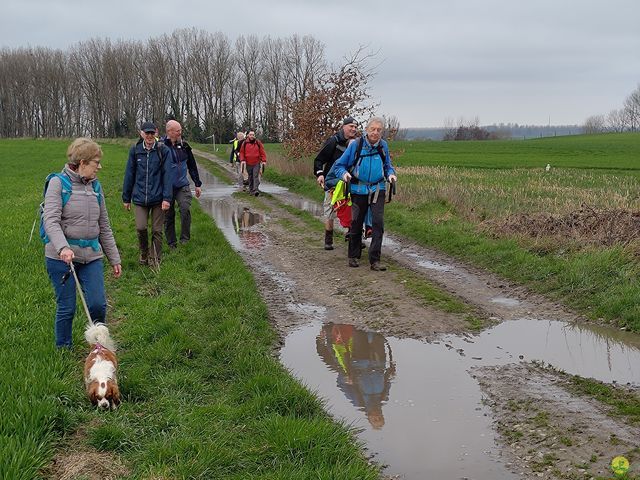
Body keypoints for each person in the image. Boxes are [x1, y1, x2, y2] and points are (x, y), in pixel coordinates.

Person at [43, 138, 122, 348]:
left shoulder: (96, 187)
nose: (99, 167)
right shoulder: (58, 183)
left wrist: (114, 258)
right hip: (62, 258)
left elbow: (104, 225)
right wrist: (63, 247)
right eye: (96, 162)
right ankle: (63, 349)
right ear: (83, 162)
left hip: (91, 256)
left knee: (97, 304)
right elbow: (50, 220)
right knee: (67, 307)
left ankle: (99, 347)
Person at [331, 117, 397, 270]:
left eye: (379, 130)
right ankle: (353, 256)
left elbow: (388, 166)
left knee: (378, 223)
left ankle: (375, 260)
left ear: (382, 132)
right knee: (356, 222)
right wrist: (344, 175)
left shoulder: (383, 146)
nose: (375, 132)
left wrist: (391, 175)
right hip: (357, 189)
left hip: (377, 188)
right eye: (372, 129)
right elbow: (339, 166)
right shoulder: (356, 145)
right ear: (367, 130)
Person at [316, 323, 395, 429]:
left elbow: (340, 383)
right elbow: (388, 381)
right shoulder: (384, 397)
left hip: (359, 361)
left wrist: (346, 379)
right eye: (380, 418)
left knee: (358, 331)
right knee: (376, 333)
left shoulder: (358, 401)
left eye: (375, 420)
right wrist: (391, 374)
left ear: (369, 417)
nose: (377, 416)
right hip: (378, 359)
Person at [122, 121, 172, 267]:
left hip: (158, 198)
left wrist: (167, 198)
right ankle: (144, 252)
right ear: (141, 133)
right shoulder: (135, 150)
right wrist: (126, 198)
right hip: (139, 197)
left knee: (157, 230)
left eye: (152, 133)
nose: (149, 136)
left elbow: (167, 175)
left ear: (155, 133)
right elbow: (129, 174)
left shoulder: (163, 151)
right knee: (141, 227)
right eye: (147, 133)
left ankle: (155, 258)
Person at [314, 116, 359, 250]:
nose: (353, 129)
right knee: (330, 210)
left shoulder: (356, 143)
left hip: (350, 183)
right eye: (351, 126)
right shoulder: (333, 141)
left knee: (351, 208)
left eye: (355, 127)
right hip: (332, 181)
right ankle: (328, 239)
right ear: (343, 127)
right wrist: (320, 174)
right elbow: (319, 160)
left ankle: (352, 236)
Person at [163, 120, 202, 248]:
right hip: (167, 187)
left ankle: (185, 239)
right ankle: (171, 243)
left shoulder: (185, 146)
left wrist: (197, 184)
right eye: (177, 130)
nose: (180, 132)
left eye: (180, 130)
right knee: (169, 215)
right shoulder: (161, 147)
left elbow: (192, 165)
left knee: (185, 209)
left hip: (182, 186)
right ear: (169, 132)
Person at [238, 129, 267, 196]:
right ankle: (251, 190)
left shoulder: (258, 143)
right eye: (250, 135)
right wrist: (242, 160)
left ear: (254, 136)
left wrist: (264, 160)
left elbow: (262, 152)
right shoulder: (245, 143)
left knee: (255, 176)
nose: (251, 136)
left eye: (253, 135)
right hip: (248, 163)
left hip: (256, 162)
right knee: (250, 177)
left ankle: (255, 190)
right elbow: (242, 153)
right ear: (248, 135)